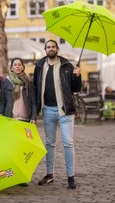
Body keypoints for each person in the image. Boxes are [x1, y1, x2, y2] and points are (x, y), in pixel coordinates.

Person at [33, 40, 82, 189]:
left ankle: (71, 177)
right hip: (47, 110)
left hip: (65, 110)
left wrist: (77, 76)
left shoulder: (67, 66)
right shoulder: (40, 66)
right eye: (48, 47)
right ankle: (49, 175)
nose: (51, 49)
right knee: (49, 143)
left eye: (53, 47)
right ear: (45, 49)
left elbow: (76, 89)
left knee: (68, 143)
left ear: (57, 49)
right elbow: (35, 87)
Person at [0, 57, 37, 123]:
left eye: (19, 65)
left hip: (26, 119)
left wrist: (33, 117)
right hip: (9, 118)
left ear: (23, 67)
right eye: (15, 65)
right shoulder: (6, 81)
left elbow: (33, 102)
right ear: (11, 68)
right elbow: (2, 101)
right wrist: (0, 114)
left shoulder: (29, 82)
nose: (17, 66)